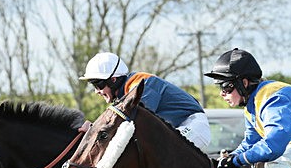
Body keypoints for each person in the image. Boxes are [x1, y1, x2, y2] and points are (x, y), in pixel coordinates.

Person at [79, 52, 211, 152]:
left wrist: (93, 130)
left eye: (98, 85)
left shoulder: (142, 84)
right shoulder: (125, 93)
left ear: (113, 80)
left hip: (193, 125)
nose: (97, 91)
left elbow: (132, 125)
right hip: (179, 126)